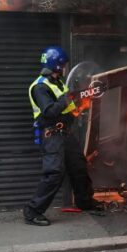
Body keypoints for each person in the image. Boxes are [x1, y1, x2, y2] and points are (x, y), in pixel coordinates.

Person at [24, 45, 100, 226]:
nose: (65, 68)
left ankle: (85, 202)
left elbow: (69, 108)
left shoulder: (58, 83)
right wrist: (69, 98)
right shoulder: (40, 87)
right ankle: (33, 212)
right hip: (52, 135)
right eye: (63, 65)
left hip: (66, 133)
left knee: (79, 167)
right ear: (56, 65)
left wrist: (84, 101)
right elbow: (50, 111)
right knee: (54, 173)